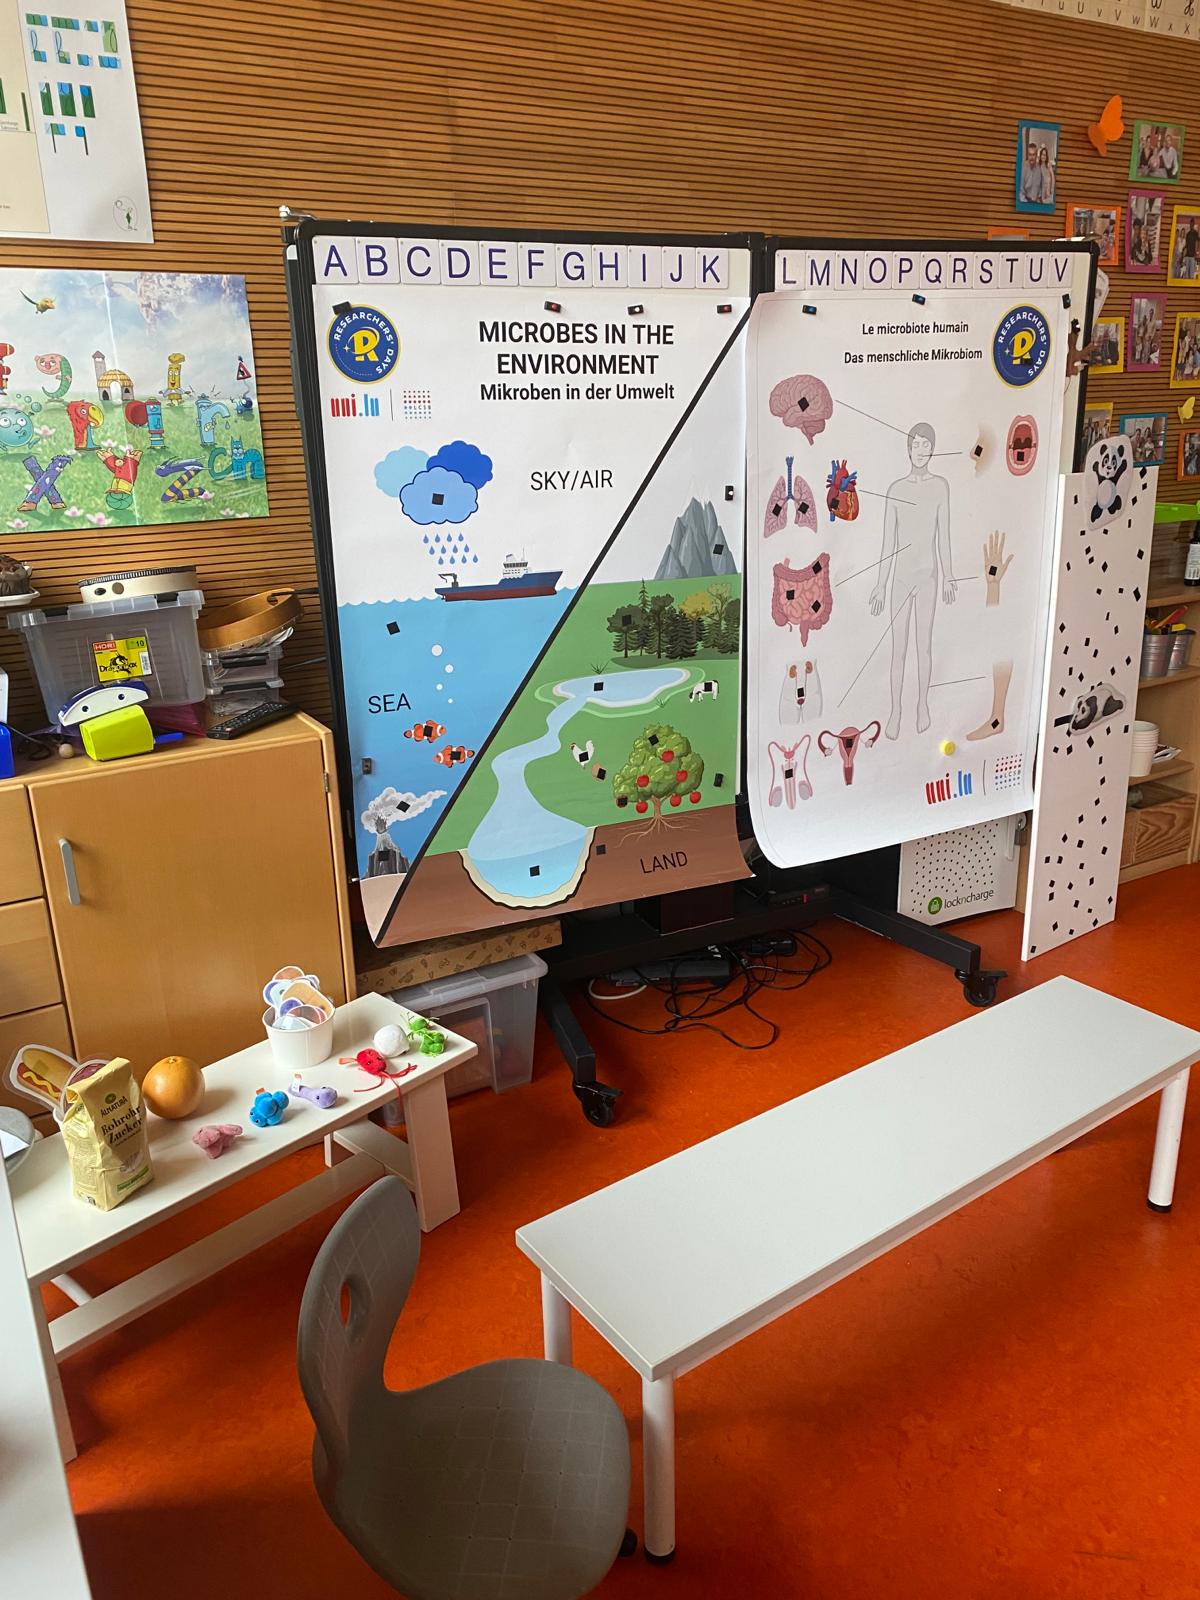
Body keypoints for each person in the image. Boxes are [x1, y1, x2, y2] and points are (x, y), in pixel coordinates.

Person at [869, 423, 954, 740]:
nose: (921, 450)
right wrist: (880, 584)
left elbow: (944, 535)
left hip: (928, 576)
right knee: (898, 650)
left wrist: (949, 575)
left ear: (933, 449)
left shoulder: (941, 487)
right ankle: (896, 711)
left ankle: (922, 705)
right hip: (901, 579)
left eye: (926, 445)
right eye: (916, 444)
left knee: (924, 647)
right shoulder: (896, 490)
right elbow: (887, 544)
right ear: (908, 449)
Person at [1019, 138, 1041, 205]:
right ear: (1027, 155)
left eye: (1033, 154)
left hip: (1037, 203)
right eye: (1030, 154)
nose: (1031, 157)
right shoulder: (1022, 168)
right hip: (1025, 201)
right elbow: (1020, 191)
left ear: (1036, 155)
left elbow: (1041, 187)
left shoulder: (1040, 168)